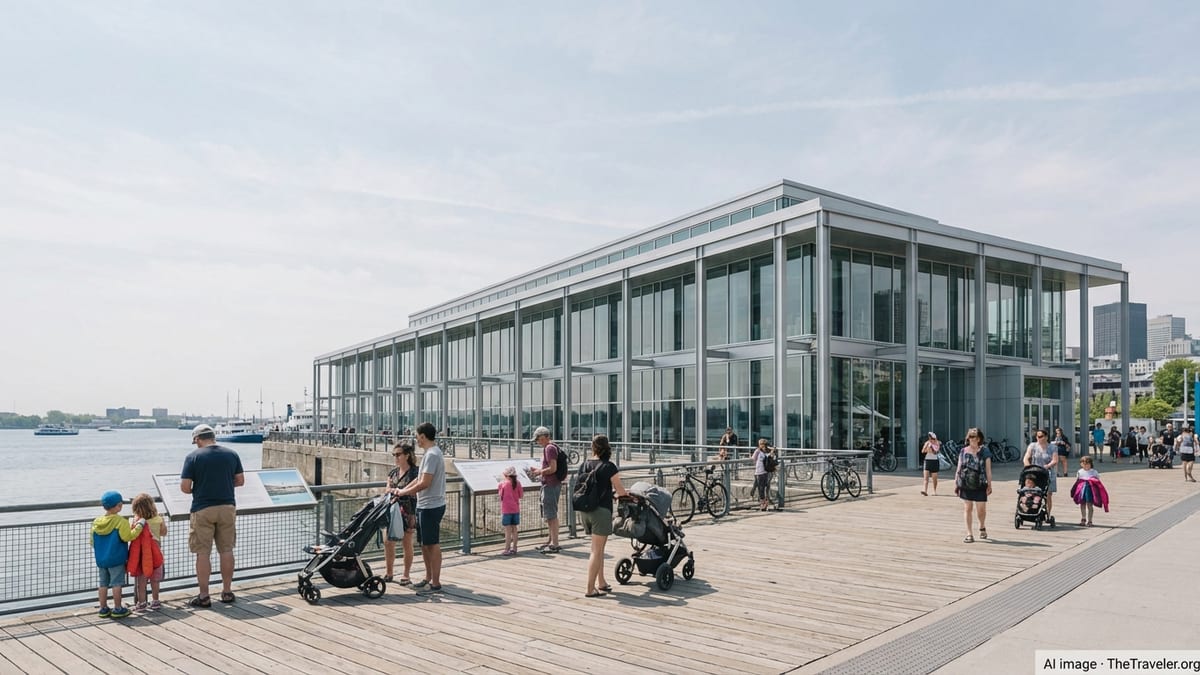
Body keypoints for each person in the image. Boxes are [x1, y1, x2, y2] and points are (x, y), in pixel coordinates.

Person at [180, 423, 244, 608]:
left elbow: (185, 488)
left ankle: (204, 595)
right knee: (226, 550)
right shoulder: (231, 454)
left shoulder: (192, 457)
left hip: (202, 508)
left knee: (202, 552)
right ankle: (227, 591)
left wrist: (200, 487)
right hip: (227, 506)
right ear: (213, 436)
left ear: (197, 439)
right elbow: (240, 481)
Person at [394, 421, 446, 593]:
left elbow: (425, 482)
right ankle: (428, 577)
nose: (416, 440)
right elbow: (418, 480)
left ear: (423, 436)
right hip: (424, 505)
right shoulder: (430, 453)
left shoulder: (432, 455)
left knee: (432, 544)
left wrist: (404, 492)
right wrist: (403, 490)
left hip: (431, 505)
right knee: (424, 544)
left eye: (417, 437)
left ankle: (435, 582)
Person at [578, 434, 627, 598]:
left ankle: (601, 582)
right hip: (601, 511)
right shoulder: (609, 466)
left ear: (593, 447)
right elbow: (620, 490)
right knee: (596, 550)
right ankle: (590, 588)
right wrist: (624, 496)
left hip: (585, 510)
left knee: (599, 550)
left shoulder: (585, 464)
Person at [91, 491, 145, 618]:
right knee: (116, 583)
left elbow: (92, 542)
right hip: (116, 558)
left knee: (103, 583)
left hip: (101, 559)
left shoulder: (96, 522)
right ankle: (117, 608)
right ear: (119, 505)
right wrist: (139, 526)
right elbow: (127, 537)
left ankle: (103, 608)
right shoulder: (121, 521)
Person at [384, 442, 418, 585]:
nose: (396, 458)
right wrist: (394, 491)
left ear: (407, 455)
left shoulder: (415, 472)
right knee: (388, 541)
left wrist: (397, 491)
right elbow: (387, 490)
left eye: (398, 455)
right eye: (394, 455)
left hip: (408, 510)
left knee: (407, 543)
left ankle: (406, 574)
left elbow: (416, 489)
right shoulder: (393, 473)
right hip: (393, 510)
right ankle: (389, 572)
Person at [128, 492, 167, 612]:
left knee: (141, 580)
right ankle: (155, 601)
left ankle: (142, 603)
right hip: (156, 554)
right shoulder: (159, 519)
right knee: (155, 579)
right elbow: (163, 533)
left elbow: (132, 535)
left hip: (142, 555)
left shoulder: (137, 521)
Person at [955, 428, 993, 543]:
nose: (972, 439)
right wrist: (956, 482)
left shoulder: (984, 451)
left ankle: (982, 526)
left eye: (975, 437)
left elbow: (988, 470)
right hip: (965, 483)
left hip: (980, 483)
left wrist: (989, 484)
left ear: (979, 439)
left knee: (981, 509)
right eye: (970, 437)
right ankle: (969, 533)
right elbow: (959, 467)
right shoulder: (963, 451)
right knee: (968, 508)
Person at [530, 426, 563, 554]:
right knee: (551, 514)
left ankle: (554, 544)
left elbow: (553, 468)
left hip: (550, 485)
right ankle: (551, 541)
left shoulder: (549, 448)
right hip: (552, 484)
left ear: (545, 437)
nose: (538, 442)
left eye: (539, 439)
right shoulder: (552, 447)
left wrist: (539, 472)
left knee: (551, 515)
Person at [1022, 429, 1058, 521]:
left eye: (1041, 436)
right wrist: (1027, 466)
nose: (1038, 438)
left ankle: (1048, 514)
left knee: (1048, 494)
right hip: (1035, 472)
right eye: (1037, 436)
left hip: (1047, 473)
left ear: (1046, 437)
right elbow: (1026, 457)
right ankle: (1030, 510)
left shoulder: (1052, 447)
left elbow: (1055, 460)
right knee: (1031, 492)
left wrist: (1048, 465)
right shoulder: (1032, 446)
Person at [1071, 456, 1108, 526]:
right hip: (1082, 490)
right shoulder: (1080, 472)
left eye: (1087, 463)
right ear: (1081, 464)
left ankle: (1090, 520)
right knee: (1082, 504)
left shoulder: (1094, 472)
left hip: (1090, 490)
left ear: (1091, 464)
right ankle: (1083, 518)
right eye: (1084, 464)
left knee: (1089, 505)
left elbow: (1098, 482)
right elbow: (1077, 482)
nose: (1086, 465)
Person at [498, 466, 524, 555]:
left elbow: (501, 495)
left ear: (506, 475)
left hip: (506, 510)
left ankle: (507, 549)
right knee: (514, 529)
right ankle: (515, 548)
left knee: (508, 530)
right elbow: (521, 495)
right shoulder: (518, 483)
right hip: (516, 509)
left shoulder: (503, 484)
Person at [751, 438, 776, 511]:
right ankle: (765, 501)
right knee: (763, 487)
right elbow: (772, 457)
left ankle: (763, 503)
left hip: (759, 472)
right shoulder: (767, 451)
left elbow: (753, 458)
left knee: (760, 489)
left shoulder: (758, 451)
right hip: (766, 472)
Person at [921, 432, 941, 496]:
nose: (931, 440)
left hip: (934, 461)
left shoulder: (937, 443)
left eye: (933, 438)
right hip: (927, 460)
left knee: (934, 478)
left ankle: (934, 491)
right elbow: (923, 451)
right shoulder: (927, 443)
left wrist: (932, 448)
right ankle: (925, 490)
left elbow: (936, 452)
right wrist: (927, 448)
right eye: (930, 438)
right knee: (926, 478)